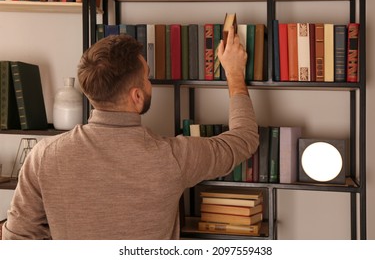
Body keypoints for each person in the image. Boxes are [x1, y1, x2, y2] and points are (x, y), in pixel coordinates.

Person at [2, 26, 259, 240]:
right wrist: (235, 74)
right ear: (136, 97)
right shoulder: (173, 157)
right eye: (147, 77)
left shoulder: (44, 155)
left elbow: (17, 240)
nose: (150, 83)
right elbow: (244, 139)